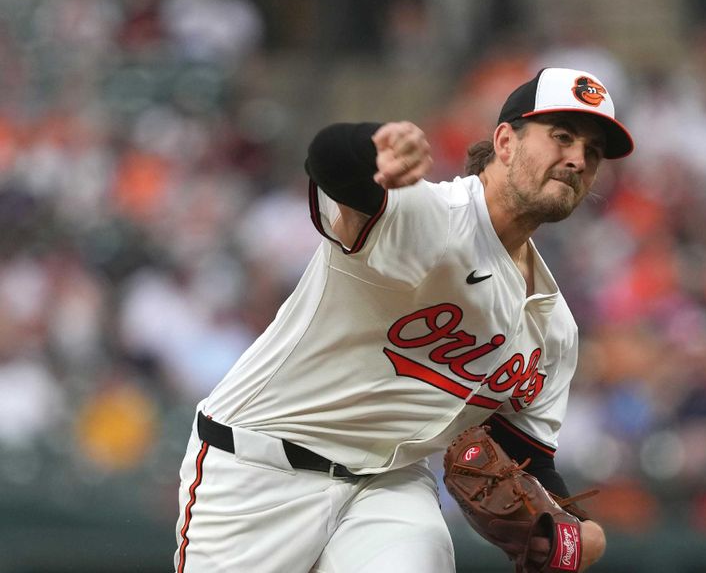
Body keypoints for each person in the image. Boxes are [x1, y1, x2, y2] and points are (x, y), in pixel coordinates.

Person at [174, 66, 634, 573]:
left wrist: (573, 522)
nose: (577, 159)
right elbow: (327, 160)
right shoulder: (430, 216)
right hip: (260, 466)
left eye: (592, 152)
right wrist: (373, 147)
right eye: (562, 137)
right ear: (505, 141)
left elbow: (525, 451)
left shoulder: (554, 326)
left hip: (389, 487)